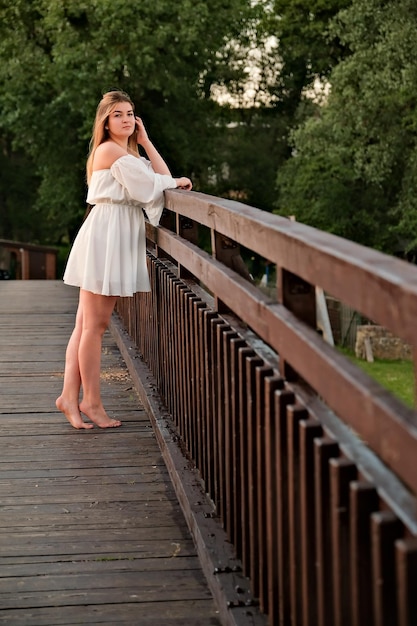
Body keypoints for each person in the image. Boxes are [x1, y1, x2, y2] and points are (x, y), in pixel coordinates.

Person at [56, 89, 192, 429]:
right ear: (105, 120)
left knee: (85, 324)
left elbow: (159, 176)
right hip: (108, 235)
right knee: (95, 326)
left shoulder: (127, 152)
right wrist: (173, 180)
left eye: (131, 113)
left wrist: (146, 142)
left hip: (110, 231)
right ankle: (92, 401)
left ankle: (68, 397)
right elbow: (153, 187)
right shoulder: (110, 150)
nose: (127, 119)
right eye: (118, 114)